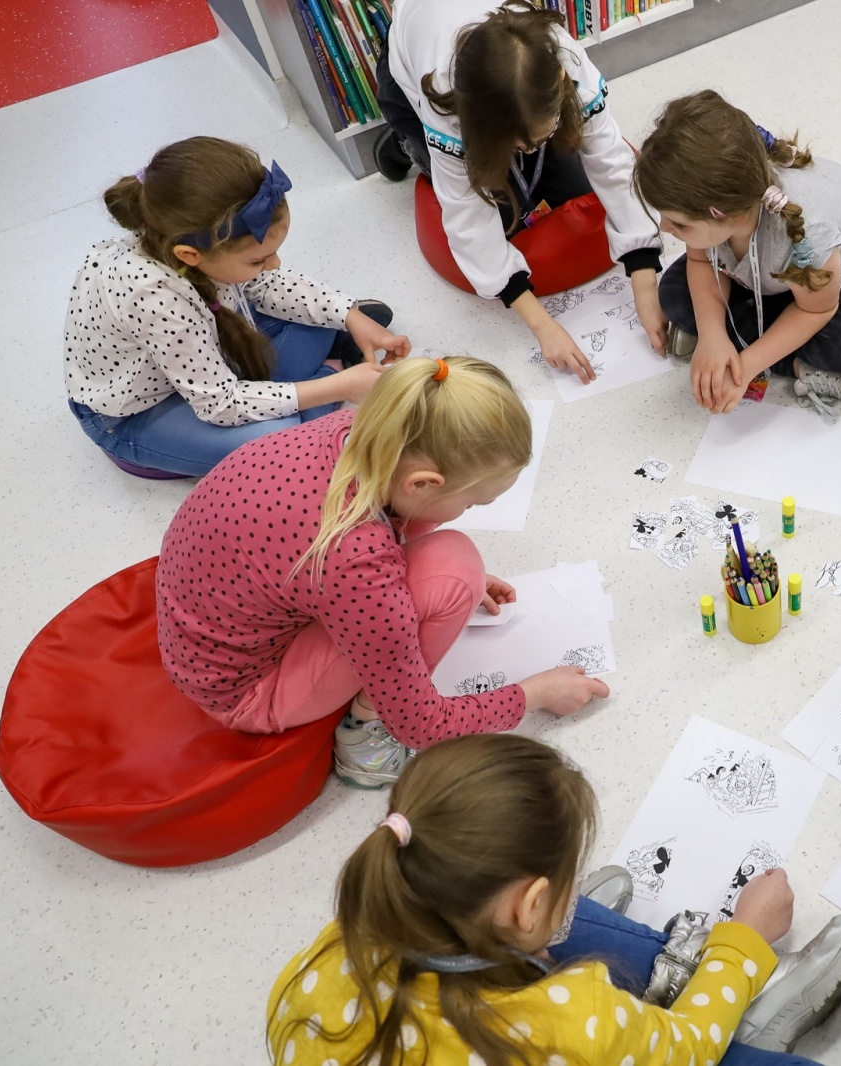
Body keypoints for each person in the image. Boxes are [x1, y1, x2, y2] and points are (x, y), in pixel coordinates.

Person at [267, 733, 841, 1064]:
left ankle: (671, 974)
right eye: (561, 886)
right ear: (527, 906)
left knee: (579, 935)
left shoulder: (327, 953)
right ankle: (748, 1008)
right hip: (598, 1043)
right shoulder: (576, 1016)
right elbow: (689, 1051)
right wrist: (743, 942)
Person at [156, 356, 607, 788]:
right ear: (423, 483)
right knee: (455, 566)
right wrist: (537, 693)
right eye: (472, 502)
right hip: (248, 692)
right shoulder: (354, 557)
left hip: (206, 634)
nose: (466, 512)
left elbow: (363, 551)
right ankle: (366, 741)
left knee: (436, 543)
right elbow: (422, 723)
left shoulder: (360, 430)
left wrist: (412, 582)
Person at [65, 136, 408, 477]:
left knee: (318, 314)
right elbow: (219, 403)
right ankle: (329, 375)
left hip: (203, 360)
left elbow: (269, 284)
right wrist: (339, 385)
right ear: (190, 256)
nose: (274, 264)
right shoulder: (153, 297)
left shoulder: (187, 241)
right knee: (279, 439)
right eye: (259, 259)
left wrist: (348, 314)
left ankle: (328, 364)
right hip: (133, 416)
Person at [377, 0, 666, 379]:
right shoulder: (447, 107)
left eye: (535, 140)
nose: (530, 150)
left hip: (504, 95)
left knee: (567, 187)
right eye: (518, 145)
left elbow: (612, 162)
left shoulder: (568, 62)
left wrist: (644, 281)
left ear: (561, 80)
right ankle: (403, 145)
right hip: (412, 88)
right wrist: (542, 325)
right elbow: (468, 219)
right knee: (501, 211)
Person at [634, 90, 841, 424]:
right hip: (777, 270)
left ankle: (827, 372)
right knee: (673, 295)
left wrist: (743, 368)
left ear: (725, 215)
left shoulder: (811, 232)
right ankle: (763, 348)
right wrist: (713, 335)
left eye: (679, 224)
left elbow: (815, 309)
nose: (664, 227)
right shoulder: (721, 204)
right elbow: (701, 261)